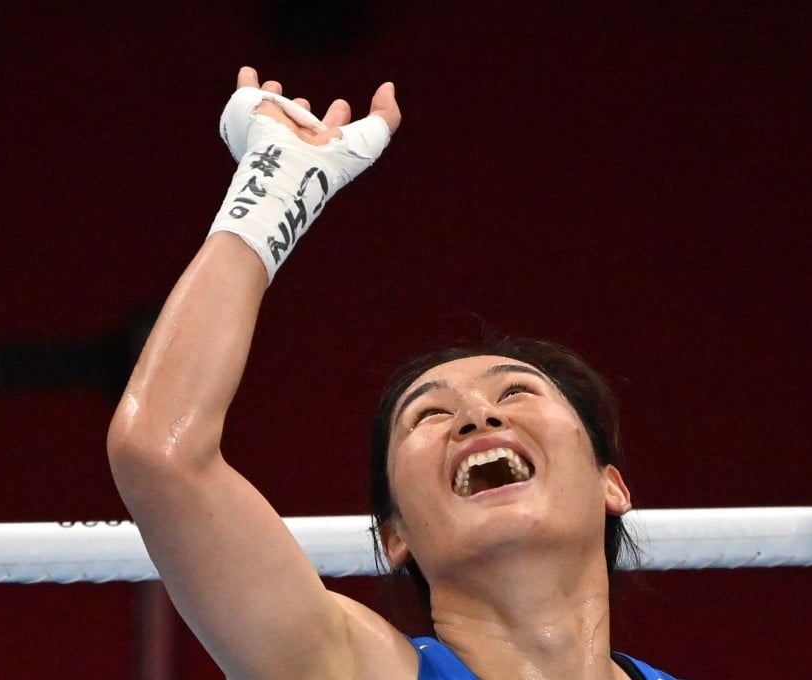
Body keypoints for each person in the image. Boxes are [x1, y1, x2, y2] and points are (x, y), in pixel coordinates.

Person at [108, 66, 679, 680]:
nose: (479, 417)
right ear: (393, 536)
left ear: (612, 486)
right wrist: (273, 191)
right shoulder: (345, 669)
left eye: (517, 392)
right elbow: (161, 452)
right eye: (430, 415)